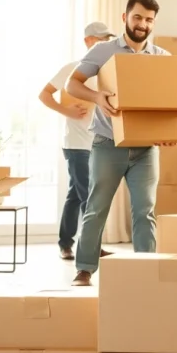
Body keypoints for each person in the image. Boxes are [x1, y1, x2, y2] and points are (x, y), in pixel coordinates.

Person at [65, 0, 177, 286]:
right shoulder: (105, 51)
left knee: (145, 210)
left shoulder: (161, 58)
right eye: (137, 17)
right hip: (108, 143)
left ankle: (146, 269)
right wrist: (97, 97)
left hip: (146, 148)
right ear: (125, 17)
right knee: (96, 207)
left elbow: (176, 103)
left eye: (148, 20)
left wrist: (174, 129)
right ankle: (84, 268)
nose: (142, 24)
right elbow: (72, 83)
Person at [38, 22, 114, 260]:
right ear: (87, 41)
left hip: (100, 143)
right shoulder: (72, 69)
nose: (104, 43)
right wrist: (66, 111)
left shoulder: (107, 72)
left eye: (107, 39)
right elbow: (44, 94)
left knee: (76, 194)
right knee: (89, 196)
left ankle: (65, 242)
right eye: (100, 39)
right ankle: (91, 247)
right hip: (76, 145)